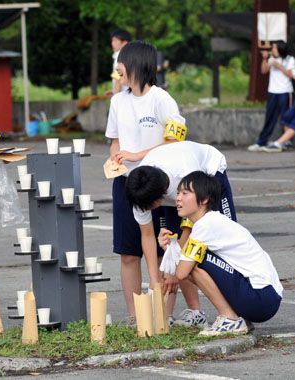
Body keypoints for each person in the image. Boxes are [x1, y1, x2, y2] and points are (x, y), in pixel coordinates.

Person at [105, 40, 187, 325]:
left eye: (122, 63)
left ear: (137, 64)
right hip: (127, 183)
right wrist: (115, 157)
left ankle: (165, 314)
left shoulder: (162, 99)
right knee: (129, 252)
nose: (118, 69)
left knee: (169, 247)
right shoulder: (117, 101)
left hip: (161, 185)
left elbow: (175, 140)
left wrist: (137, 155)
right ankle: (134, 315)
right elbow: (115, 139)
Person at [125, 140, 236, 327]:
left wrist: (176, 272)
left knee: (224, 243)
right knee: (175, 248)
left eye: (150, 207)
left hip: (210, 172)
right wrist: (154, 278)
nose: (148, 210)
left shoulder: (184, 173)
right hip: (174, 185)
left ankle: (235, 314)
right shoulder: (140, 188)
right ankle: (196, 312)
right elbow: (147, 235)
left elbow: (192, 227)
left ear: (159, 198)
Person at [158, 171, 282, 336]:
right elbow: (182, 261)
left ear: (204, 200)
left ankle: (229, 319)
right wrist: (169, 248)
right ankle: (234, 317)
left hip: (260, 298)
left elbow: (181, 272)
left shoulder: (206, 225)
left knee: (194, 263)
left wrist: (171, 252)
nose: (178, 198)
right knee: (192, 260)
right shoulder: (211, 221)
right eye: (178, 192)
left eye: (185, 193)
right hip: (265, 298)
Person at [248, 41, 295, 152]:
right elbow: (263, 71)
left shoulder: (289, 59)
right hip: (272, 91)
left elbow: (291, 75)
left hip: (285, 91)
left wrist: (278, 65)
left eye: (274, 47)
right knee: (270, 117)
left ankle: (285, 142)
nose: (272, 50)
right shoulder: (271, 59)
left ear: (280, 48)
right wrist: (265, 59)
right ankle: (261, 141)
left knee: (286, 117)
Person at [109, 29, 132, 94]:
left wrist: (115, 95)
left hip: (122, 96)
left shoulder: (120, 55)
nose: (112, 43)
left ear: (125, 42)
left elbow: (118, 77)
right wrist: (113, 90)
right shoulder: (131, 55)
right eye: (112, 41)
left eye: (115, 40)